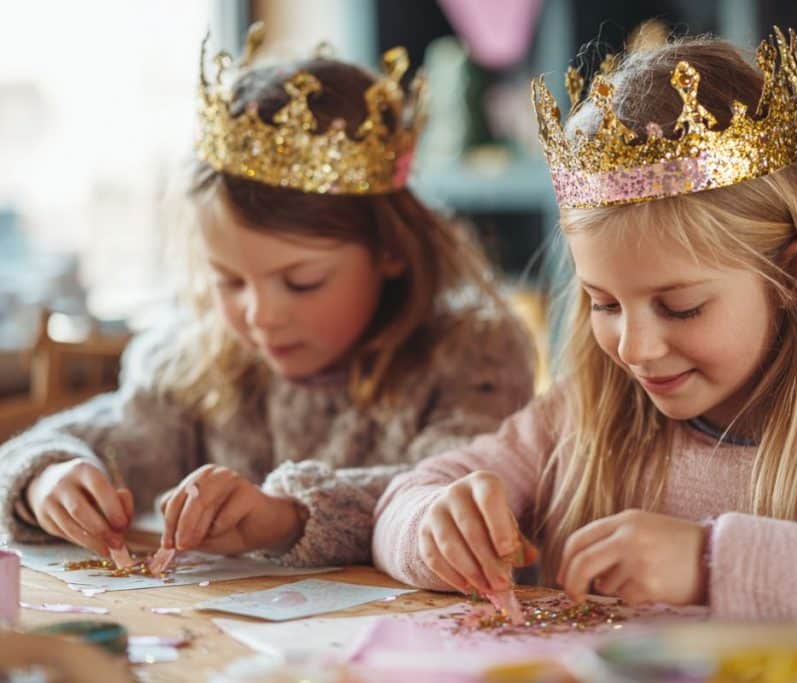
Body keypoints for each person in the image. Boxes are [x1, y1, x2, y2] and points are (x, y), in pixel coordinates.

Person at [372, 29, 797, 641]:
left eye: (680, 307)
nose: (635, 347)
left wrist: (712, 563)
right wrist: (434, 524)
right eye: (603, 303)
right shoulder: (586, 417)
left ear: (789, 273)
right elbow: (403, 500)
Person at [0, 24, 535, 567]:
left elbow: (446, 496)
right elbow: (108, 440)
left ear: (390, 249)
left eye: (302, 282)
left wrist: (288, 516)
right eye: (229, 281)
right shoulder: (198, 357)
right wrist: (50, 477)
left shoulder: (473, 356)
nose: (260, 316)